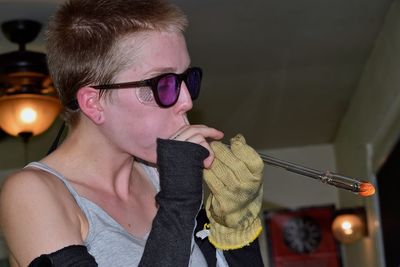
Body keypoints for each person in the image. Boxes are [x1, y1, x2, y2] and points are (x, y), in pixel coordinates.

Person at [0, 0, 265, 266]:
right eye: (163, 83)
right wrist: (180, 200)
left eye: (187, 79)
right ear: (94, 103)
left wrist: (236, 231)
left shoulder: (163, 176)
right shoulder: (33, 193)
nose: (186, 100)